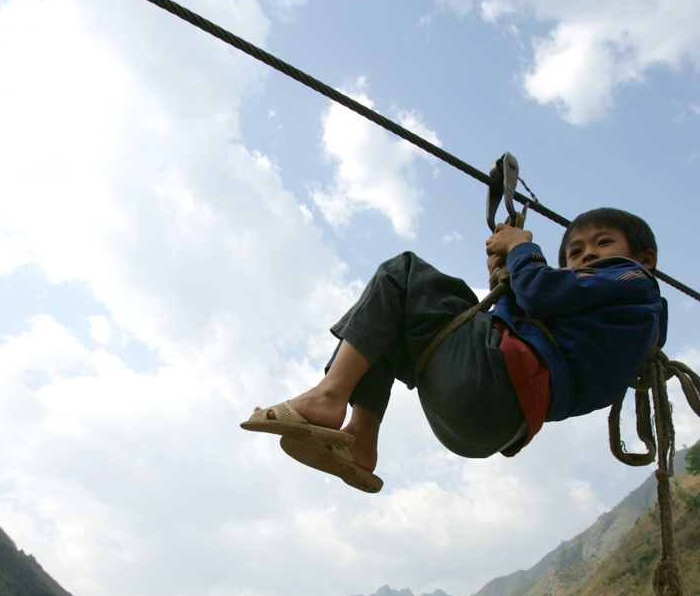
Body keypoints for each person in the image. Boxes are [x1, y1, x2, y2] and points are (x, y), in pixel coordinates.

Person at [241, 207, 667, 493]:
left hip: (491, 387)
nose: (587, 254)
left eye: (603, 244)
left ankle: (329, 396)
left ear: (644, 259)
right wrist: (505, 275)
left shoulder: (632, 282)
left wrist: (523, 248)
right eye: (575, 252)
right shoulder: (598, 319)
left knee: (402, 273)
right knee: (387, 326)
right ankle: (360, 439)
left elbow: (541, 290)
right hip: (486, 424)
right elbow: (524, 315)